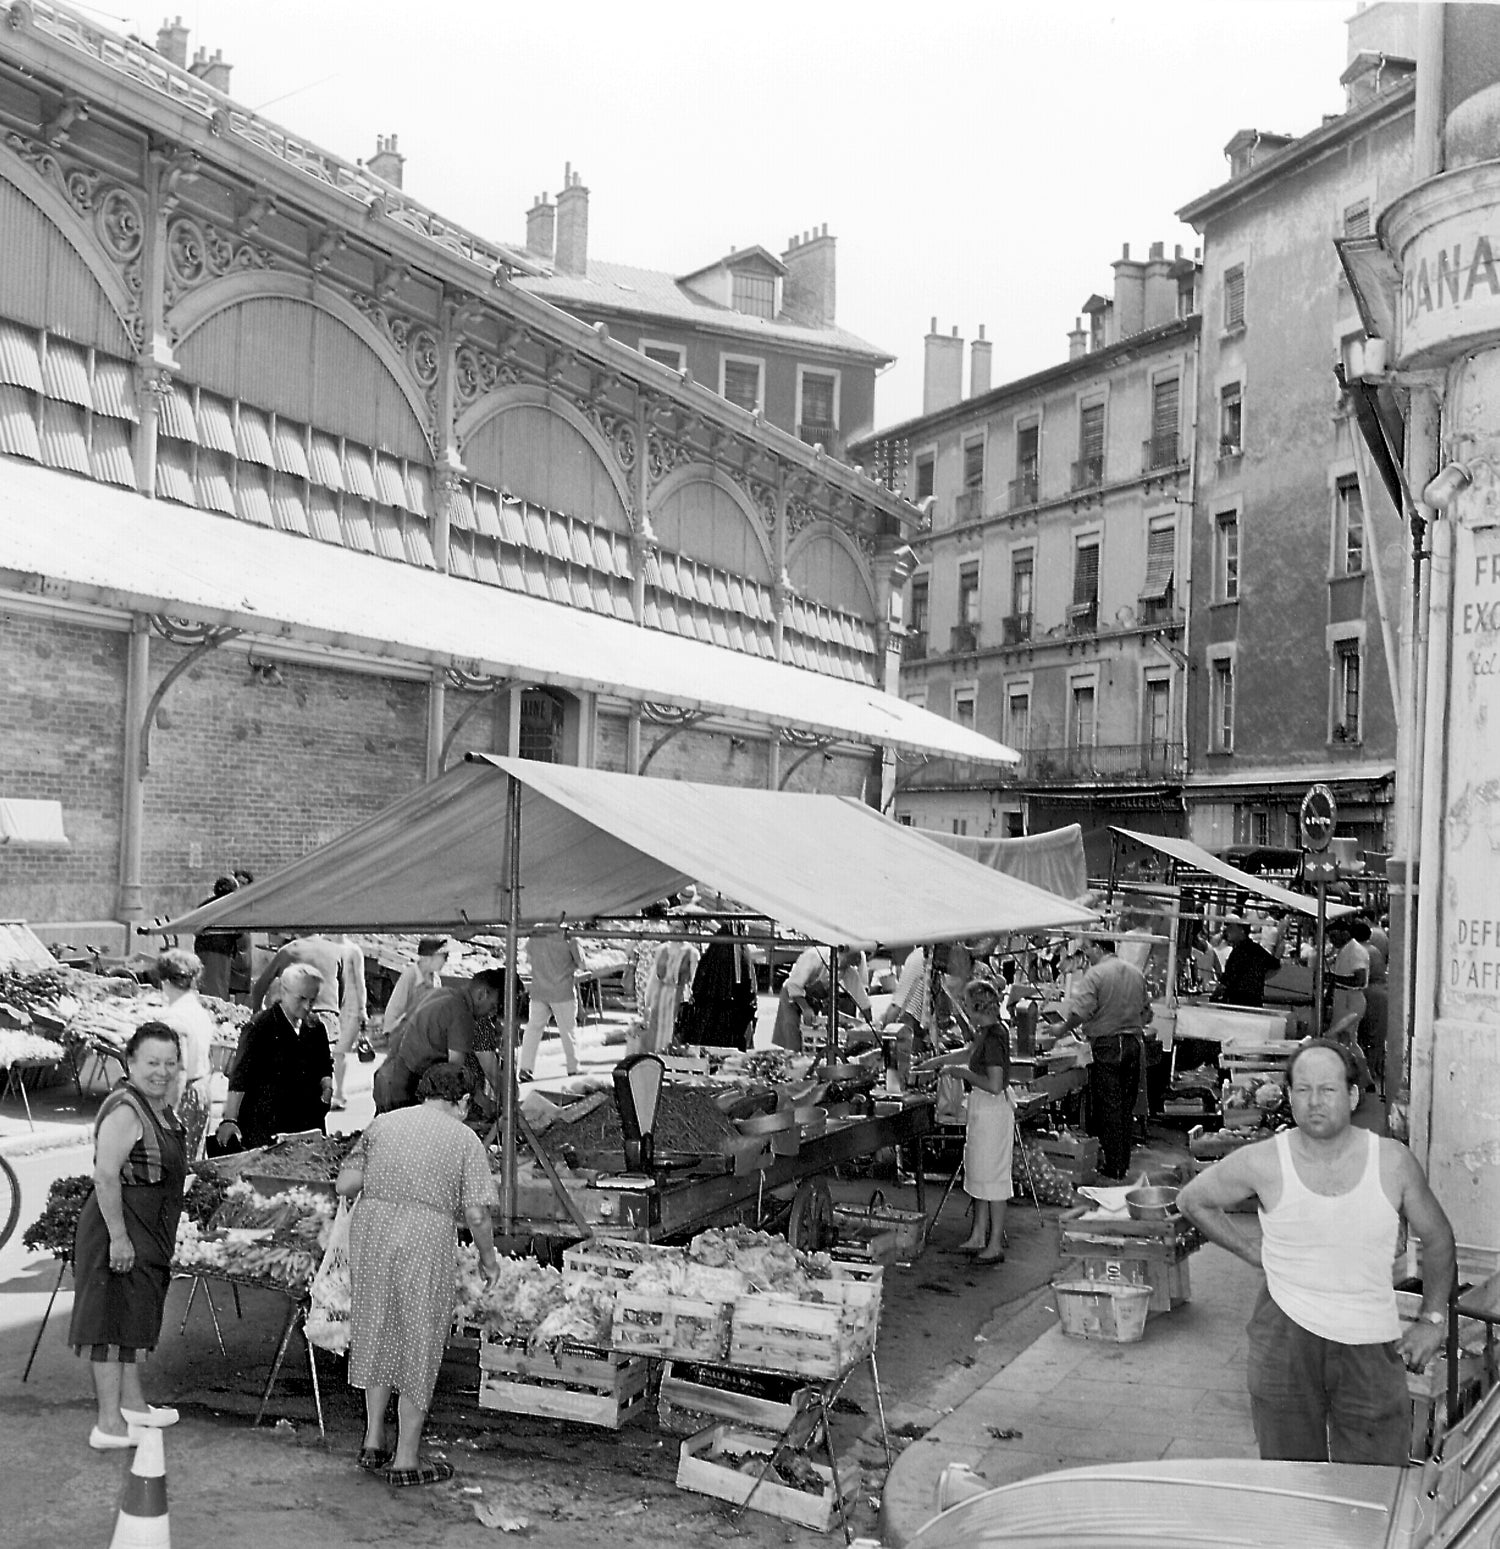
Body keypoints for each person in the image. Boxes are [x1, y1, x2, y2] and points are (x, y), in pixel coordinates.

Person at [1179, 1039, 1456, 1464]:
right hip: (1283, 1339)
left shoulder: (1392, 1162)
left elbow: (1438, 1239)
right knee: (1292, 1483)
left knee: (1373, 1488)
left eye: (1327, 1090)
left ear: (1351, 1095)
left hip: (1368, 1342)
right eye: (1303, 1090)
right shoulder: (1263, 1161)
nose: (1314, 1102)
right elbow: (1192, 1200)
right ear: (1289, 1097)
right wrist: (1251, 1250)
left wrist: (1433, 1319)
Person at [337, 1063, 501, 1485]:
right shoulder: (464, 1139)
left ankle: (373, 1441)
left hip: (373, 1231)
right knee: (419, 1338)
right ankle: (405, 1459)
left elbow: (347, 1182)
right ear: (462, 1102)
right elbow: (477, 1213)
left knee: (378, 1327)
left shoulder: (382, 1123)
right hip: (423, 1235)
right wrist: (489, 1258)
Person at [68, 1022, 187, 1449]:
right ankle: (108, 1425)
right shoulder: (126, 1109)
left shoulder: (157, 1105)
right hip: (117, 1224)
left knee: (133, 1315)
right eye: (152, 1062)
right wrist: (118, 1238)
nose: (162, 1071)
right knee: (110, 1323)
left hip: (147, 1225)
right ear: (131, 1062)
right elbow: (105, 1176)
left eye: (170, 1063)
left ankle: (133, 1405)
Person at [919, 977, 1013, 1263]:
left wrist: (962, 1074)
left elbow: (994, 1084)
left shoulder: (995, 1036)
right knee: (978, 1175)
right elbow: (970, 1053)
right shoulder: (987, 1030)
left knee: (993, 1180)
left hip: (993, 1111)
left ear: (976, 1008)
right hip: (983, 1110)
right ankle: (978, 1234)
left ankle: (994, 1243)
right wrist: (938, 1063)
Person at [1051, 936, 1152, 1180]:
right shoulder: (1135, 973)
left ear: (1098, 948)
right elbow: (1147, 1014)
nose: (1086, 955)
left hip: (1107, 1045)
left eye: (1087, 950)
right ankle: (1121, 1163)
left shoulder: (1095, 975)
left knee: (1109, 1106)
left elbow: (1080, 1011)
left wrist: (1061, 1029)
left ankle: (1113, 1166)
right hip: (1133, 1045)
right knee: (1125, 1106)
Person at [215, 965, 333, 1151]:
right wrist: (230, 1119)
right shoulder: (260, 1026)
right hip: (266, 1125)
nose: (307, 1006)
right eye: (301, 999)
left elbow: (324, 1065)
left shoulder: (316, 1028)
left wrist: (327, 1090)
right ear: (284, 992)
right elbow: (240, 1078)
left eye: (312, 1000)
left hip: (307, 1122)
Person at [375, 969, 506, 1111]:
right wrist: (486, 1104)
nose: (490, 1013)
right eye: (492, 1006)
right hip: (401, 1089)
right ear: (482, 995)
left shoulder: (441, 993)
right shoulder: (461, 1014)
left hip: (385, 1079)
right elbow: (455, 1074)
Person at [154, 947, 215, 1128]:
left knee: (176, 1154)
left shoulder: (174, 1018)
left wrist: (169, 1113)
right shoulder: (199, 1011)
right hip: (202, 1091)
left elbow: (180, 1070)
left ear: (164, 982)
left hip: (184, 1097)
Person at [518, 925, 585, 1080]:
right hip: (562, 991)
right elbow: (582, 964)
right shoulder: (570, 937)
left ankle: (525, 1068)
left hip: (539, 990)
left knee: (533, 1030)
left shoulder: (536, 934)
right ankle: (573, 1067)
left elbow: (528, 958)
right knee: (568, 1031)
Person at [773, 946, 870, 1052]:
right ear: (844, 951)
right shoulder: (814, 956)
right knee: (793, 1042)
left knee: (814, 1041)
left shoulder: (848, 971)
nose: (854, 964)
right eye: (853, 959)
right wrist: (806, 1008)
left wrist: (870, 1028)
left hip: (812, 1000)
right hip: (792, 997)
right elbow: (794, 985)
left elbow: (863, 1002)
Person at [687, 923, 758, 1050]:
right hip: (733, 1017)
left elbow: (698, 986)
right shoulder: (743, 953)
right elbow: (750, 986)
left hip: (709, 1015)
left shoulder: (711, 955)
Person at [382, 937, 450, 1046]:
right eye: (443, 957)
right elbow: (393, 1011)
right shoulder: (410, 976)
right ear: (428, 958)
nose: (446, 961)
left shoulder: (436, 980)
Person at [192, 875, 246, 1002]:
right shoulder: (229, 906)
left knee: (205, 983)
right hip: (219, 949)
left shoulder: (206, 904)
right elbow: (238, 931)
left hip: (202, 948)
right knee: (217, 988)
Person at [642, 935, 698, 1053]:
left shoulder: (692, 952)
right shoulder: (662, 949)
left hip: (679, 995)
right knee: (655, 1026)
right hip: (660, 994)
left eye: (679, 927)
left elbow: (694, 979)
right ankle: (655, 1055)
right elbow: (654, 977)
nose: (676, 931)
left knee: (675, 1026)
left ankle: (670, 1054)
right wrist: (648, 1000)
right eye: (673, 926)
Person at [1213, 914, 1281, 1008]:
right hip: (1254, 1002)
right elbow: (1276, 965)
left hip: (1236, 1003)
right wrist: (1259, 977)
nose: (1227, 930)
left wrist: (1213, 996)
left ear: (1241, 930)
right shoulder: (1256, 949)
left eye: (1231, 927)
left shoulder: (1238, 952)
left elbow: (1226, 982)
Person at [1326, 919, 1369, 1038]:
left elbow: (1359, 981)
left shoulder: (1356, 951)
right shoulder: (1343, 950)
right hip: (1343, 997)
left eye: (1334, 936)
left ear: (1345, 934)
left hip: (1351, 999)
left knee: (1346, 1036)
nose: (1331, 940)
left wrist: (1334, 978)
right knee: (1339, 1037)